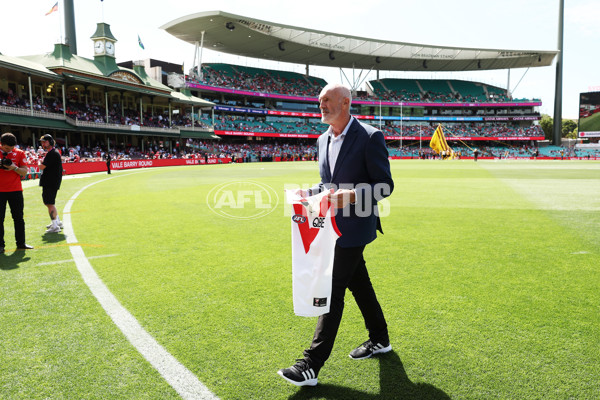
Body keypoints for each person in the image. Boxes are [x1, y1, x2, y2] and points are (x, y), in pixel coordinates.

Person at [278, 83, 394, 386]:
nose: (321, 105)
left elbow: (385, 186)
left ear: (345, 103)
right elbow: (327, 183)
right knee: (360, 285)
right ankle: (380, 339)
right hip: (331, 227)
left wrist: (353, 196)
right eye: (319, 101)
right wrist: (309, 192)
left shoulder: (370, 137)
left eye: (327, 100)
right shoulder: (322, 140)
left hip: (355, 228)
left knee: (332, 288)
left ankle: (310, 365)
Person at [0, 132, 33, 252]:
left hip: (16, 190)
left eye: (12, 148)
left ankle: (21, 243)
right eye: (7, 148)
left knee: (18, 218)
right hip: (0, 191)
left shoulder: (20, 153)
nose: (10, 151)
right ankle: (0, 246)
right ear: (2, 144)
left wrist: (14, 167)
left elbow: (24, 172)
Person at [38, 134, 63, 233]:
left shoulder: (52, 153)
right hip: (52, 181)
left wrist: (39, 162)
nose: (43, 143)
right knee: (50, 203)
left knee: (49, 203)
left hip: (50, 182)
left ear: (50, 142)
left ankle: (55, 226)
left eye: (45, 141)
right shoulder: (53, 152)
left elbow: (42, 167)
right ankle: (57, 222)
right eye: (42, 142)